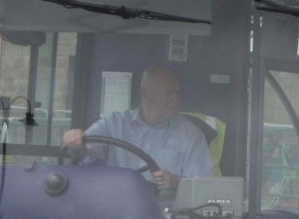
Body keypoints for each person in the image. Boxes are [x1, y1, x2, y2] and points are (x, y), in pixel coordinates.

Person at [63, 65, 213, 194]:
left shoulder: (191, 134)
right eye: (168, 93)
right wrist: (74, 142)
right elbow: (83, 150)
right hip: (116, 212)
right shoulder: (114, 123)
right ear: (146, 95)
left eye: (177, 93)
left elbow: (203, 186)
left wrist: (175, 182)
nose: (176, 99)